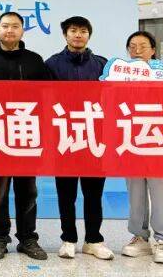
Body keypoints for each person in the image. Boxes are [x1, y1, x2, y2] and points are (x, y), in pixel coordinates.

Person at [0, 11, 50, 261]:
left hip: (27, 134)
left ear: (22, 30)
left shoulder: (35, 60)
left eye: (15, 26)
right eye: (5, 26)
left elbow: (45, 98)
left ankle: (27, 238)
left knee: (28, 190)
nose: (10, 30)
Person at [44, 16, 112, 261]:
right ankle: (68, 239)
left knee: (94, 194)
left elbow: (112, 99)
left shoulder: (103, 65)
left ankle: (93, 240)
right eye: (73, 30)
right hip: (64, 137)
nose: (78, 35)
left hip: (95, 138)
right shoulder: (51, 64)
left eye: (83, 31)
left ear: (89, 35)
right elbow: (44, 100)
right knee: (66, 193)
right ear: (65, 35)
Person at [120, 31, 163, 264]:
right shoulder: (119, 75)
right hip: (131, 140)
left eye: (143, 46)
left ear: (153, 50)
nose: (137, 50)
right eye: (132, 46)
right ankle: (139, 237)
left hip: (159, 141)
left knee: (161, 193)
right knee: (136, 193)